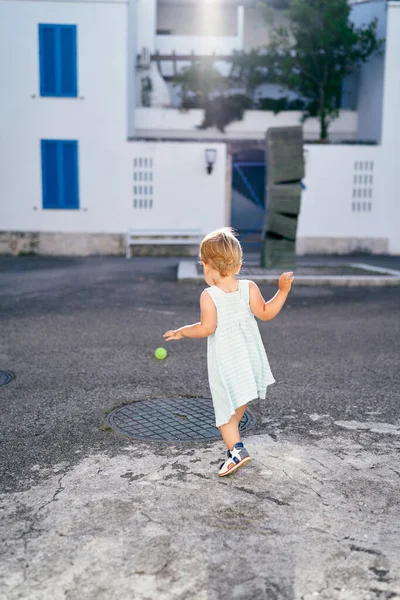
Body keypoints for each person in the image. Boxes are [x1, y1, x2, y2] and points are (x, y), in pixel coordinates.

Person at [163, 228, 294, 477]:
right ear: (238, 264)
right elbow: (266, 313)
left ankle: (236, 451)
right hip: (248, 359)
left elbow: (206, 328)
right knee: (238, 404)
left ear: (206, 265)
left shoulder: (209, 295)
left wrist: (181, 331)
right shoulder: (248, 288)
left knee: (224, 413)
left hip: (226, 362)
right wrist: (283, 291)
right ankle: (234, 441)